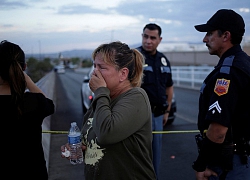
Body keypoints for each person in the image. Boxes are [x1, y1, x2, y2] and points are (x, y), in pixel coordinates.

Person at [61, 41, 156, 180]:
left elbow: (107, 133)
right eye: (94, 66)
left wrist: (100, 91)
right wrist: (77, 146)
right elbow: (92, 134)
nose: (95, 72)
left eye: (102, 67)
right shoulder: (102, 99)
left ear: (123, 74)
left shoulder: (136, 97)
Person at [192, 9, 250, 180]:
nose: (204, 39)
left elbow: (218, 130)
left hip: (230, 165)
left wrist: (201, 165)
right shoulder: (244, 62)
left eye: (209, 34)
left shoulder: (228, 72)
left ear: (225, 36)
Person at [0, 40, 55, 180]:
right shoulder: (33, 102)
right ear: (24, 68)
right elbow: (49, 105)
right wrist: (28, 81)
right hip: (33, 173)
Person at [136, 23, 174, 178]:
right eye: (145, 36)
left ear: (160, 39)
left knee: (155, 155)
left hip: (158, 115)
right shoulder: (134, 57)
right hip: (138, 117)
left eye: (153, 38)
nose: (148, 41)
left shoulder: (163, 60)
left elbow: (169, 87)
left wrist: (167, 111)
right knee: (138, 155)